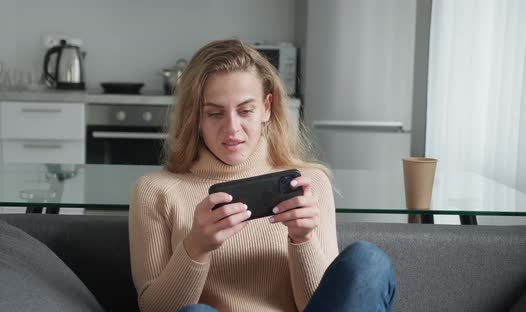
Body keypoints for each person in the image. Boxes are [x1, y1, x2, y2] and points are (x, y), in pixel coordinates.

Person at [129, 39, 396, 312]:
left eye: (245, 111)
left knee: (369, 261)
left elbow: (321, 305)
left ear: (267, 107)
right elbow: (154, 309)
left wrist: (302, 239)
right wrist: (196, 247)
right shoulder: (155, 191)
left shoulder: (310, 183)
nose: (232, 129)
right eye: (214, 113)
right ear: (194, 116)